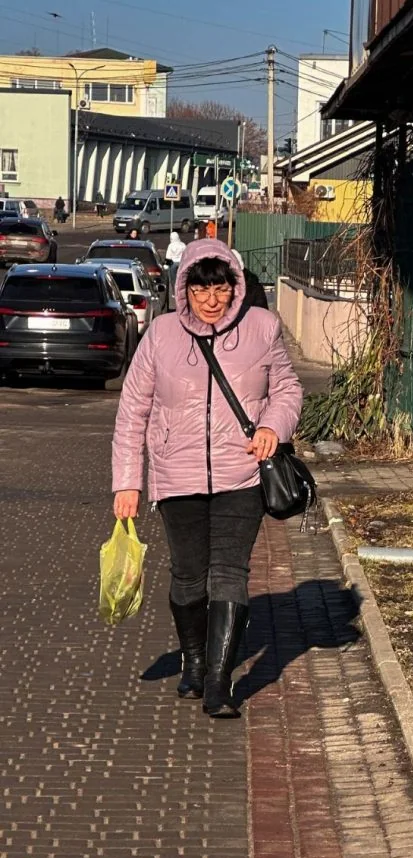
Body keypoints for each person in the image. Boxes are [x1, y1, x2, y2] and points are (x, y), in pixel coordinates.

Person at [111, 240, 303, 718]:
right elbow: (132, 411)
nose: (212, 299)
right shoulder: (160, 335)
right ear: (185, 289)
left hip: (242, 474)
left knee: (229, 573)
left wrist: (272, 428)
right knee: (188, 578)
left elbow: (287, 388)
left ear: (235, 287)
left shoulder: (262, 328)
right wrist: (127, 482)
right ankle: (194, 660)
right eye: (201, 289)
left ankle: (220, 683)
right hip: (177, 476)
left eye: (220, 288)